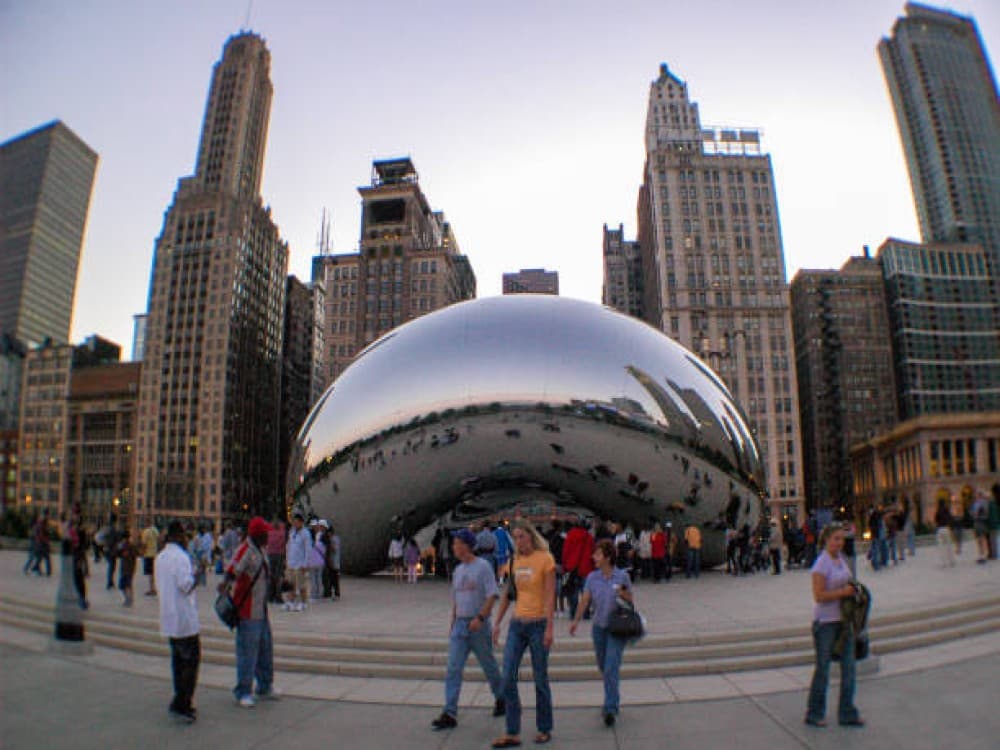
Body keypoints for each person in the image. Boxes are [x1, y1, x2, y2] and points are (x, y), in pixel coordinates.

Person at [430, 529, 506, 732]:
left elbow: (492, 595)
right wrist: (453, 621)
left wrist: (481, 617)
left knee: (488, 665)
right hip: (461, 626)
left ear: (465, 545)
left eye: (456, 543)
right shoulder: (458, 570)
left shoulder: (483, 567)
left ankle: (501, 697)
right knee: (453, 668)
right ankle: (450, 712)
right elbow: (456, 599)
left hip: (478, 625)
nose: (453, 547)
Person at [492, 520, 556, 748]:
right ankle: (512, 731)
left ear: (531, 536)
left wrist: (550, 627)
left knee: (540, 678)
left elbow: (550, 595)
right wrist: (497, 623)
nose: (519, 541)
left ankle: (544, 728)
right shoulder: (514, 561)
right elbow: (509, 592)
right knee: (507, 675)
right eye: (515, 537)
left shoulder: (545, 559)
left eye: (522, 537)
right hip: (517, 624)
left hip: (538, 624)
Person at [569, 539, 633, 727]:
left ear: (607, 556)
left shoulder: (622, 577)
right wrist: (576, 621)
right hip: (599, 627)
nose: (593, 557)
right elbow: (585, 600)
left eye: (597, 554)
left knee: (611, 666)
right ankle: (612, 697)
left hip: (616, 627)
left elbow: (631, 600)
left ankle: (610, 707)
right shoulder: (592, 577)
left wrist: (624, 594)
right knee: (603, 666)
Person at [805, 522, 863, 729]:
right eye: (836, 539)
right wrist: (843, 593)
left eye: (842, 539)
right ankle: (814, 712)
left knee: (849, 668)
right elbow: (818, 596)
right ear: (827, 540)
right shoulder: (821, 564)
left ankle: (847, 712)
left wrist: (855, 591)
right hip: (826, 624)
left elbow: (848, 583)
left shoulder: (841, 560)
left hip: (844, 621)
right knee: (823, 669)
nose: (840, 543)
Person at [220, 516, 279, 707]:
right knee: (248, 652)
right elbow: (231, 569)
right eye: (266, 533)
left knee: (265, 649)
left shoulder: (261, 549)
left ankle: (265, 685)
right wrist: (225, 585)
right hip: (247, 611)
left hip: (261, 610)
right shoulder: (245, 549)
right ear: (258, 534)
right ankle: (243, 691)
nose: (269, 536)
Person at [156, 520, 200, 723]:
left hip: (168, 616)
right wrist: (196, 576)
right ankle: (184, 702)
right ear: (179, 535)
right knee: (190, 662)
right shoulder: (181, 557)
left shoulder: (160, 557)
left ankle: (178, 698)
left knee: (177, 662)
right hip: (184, 618)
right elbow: (185, 585)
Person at [562, 519, 594, 621]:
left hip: (572, 567)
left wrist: (565, 565)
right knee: (586, 591)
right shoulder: (589, 537)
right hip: (586, 568)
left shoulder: (570, 535)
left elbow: (566, 551)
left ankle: (573, 612)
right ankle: (585, 613)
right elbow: (592, 552)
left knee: (573, 591)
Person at [284, 513, 312, 611]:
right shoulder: (292, 532)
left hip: (300, 563)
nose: (295, 524)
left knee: (301, 584)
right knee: (290, 584)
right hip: (291, 562)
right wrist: (286, 560)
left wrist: (306, 563)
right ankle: (290, 602)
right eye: (293, 522)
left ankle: (303, 602)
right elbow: (289, 546)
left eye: (296, 522)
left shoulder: (306, 533)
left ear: (301, 522)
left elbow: (308, 549)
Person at [265, 519, 286, 604]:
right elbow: (283, 544)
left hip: (270, 554)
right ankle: (278, 596)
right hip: (279, 555)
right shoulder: (282, 533)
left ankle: (270, 596)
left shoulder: (269, 533)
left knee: (271, 576)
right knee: (278, 577)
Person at [117, 530, 138, 607]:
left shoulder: (125, 546)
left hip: (126, 568)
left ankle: (128, 599)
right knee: (127, 585)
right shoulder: (129, 546)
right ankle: (129, 599)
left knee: (124, 585)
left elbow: (118, 553)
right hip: (129, 568)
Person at [307, 521, 326, 600]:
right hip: (320, 562)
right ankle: (318, 594)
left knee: (314, 579)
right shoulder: (323, 540)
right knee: (318, 579)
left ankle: (314, 595)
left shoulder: (310, 541)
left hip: (313, 562)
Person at [934, 499, 955, 567]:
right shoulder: (947, 510)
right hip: (946, 528)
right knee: (949, 545)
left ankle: (943, 562)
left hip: (940, 529)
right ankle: (951, 561)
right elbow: (951, 518)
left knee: (941, 546)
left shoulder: (938, 511)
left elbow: (935, 520)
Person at [141, 520, 160, 597]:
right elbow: (159, 540)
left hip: (148, 554)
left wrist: (142, 552)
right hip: (155, 554)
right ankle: (155, 588)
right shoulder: (155, 530)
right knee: (154, 572)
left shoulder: (146, 532)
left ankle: (152, 589)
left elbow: (144, 544)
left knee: (150, 573)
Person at [324, 523, 342, 600]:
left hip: (334, 562)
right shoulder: (334, 539)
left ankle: (337, 593)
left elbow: (335, 549)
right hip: (332, 562)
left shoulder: (334, 539)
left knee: (334, 578)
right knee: (331, 578)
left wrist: (330, 543)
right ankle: (331, 592)